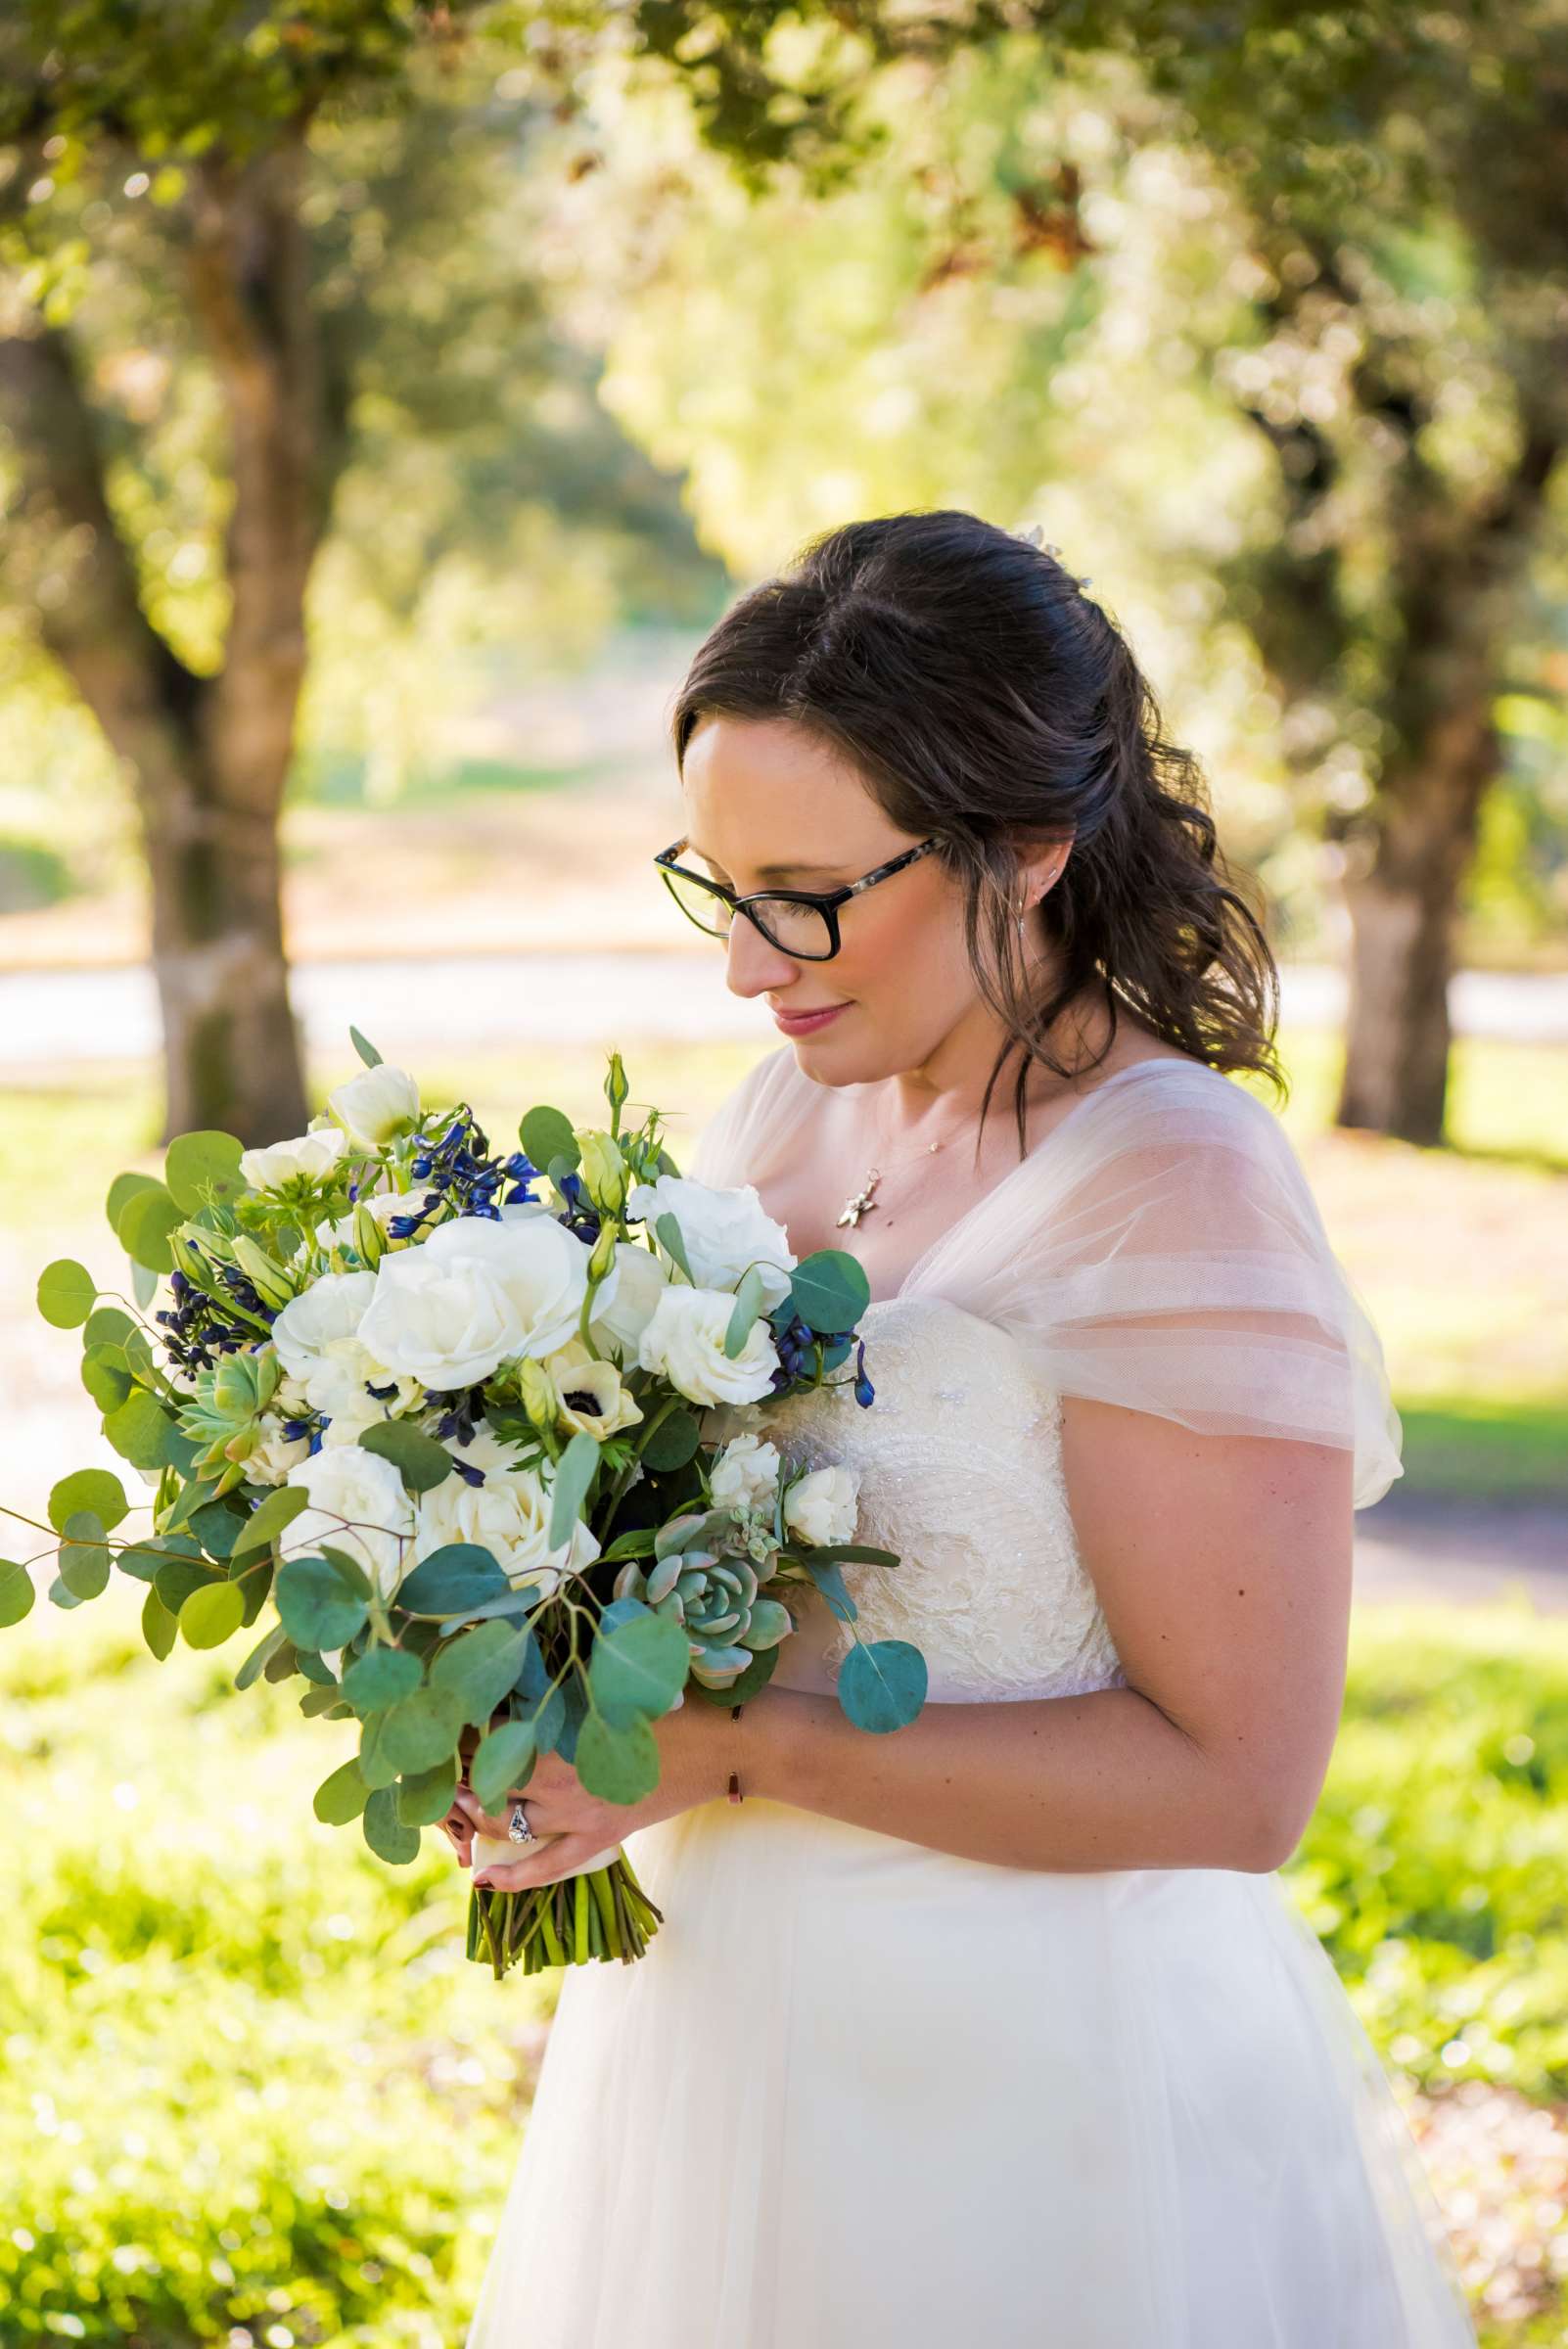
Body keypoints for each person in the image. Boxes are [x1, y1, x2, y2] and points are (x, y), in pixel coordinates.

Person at [452, 510, 1479, 2345]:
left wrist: (732, 1753)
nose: (750, 965)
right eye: (716, 885)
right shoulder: (784, 1121)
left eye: (808, 892)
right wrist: (550, 1706)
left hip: (1042, 2101)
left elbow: (1237, 1785)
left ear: (1026, 851)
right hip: (726, 2038)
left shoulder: (1175, 1187)